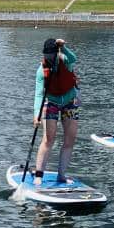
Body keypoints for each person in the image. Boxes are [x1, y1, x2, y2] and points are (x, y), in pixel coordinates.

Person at [32, 38, 79, 185]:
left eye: (52, 54)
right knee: (49, 138)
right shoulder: (41, 70)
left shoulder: (65, 59)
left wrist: (63, 47)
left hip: (69, 102)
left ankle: (61, 175)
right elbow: (39, 94)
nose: (49, 58)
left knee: (70, 139)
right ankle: (39, 175)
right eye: (47, 55)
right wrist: (36, 115)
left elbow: (74, 58)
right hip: (51, 102)